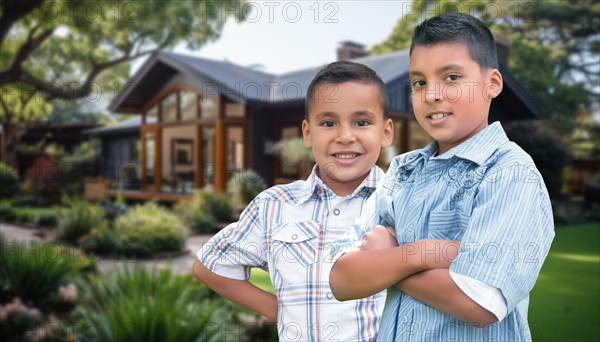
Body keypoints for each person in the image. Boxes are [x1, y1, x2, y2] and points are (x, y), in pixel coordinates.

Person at [329, 12, 555, 341]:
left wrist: (385, 262)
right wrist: (425, 251)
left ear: (492, 84)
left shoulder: (509, 173)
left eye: (451, 77)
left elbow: (477, 302)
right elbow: (342, 279)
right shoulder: (403, 171)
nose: (432, 94)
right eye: (419, 82)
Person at [193, 60, 403, 341]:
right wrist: (283, 312)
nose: (345, 136)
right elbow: (210, 264)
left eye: (361, 122)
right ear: (307, 133)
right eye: (328, 123)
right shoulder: (274, 205)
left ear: (386, 132)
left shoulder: (404, 204)